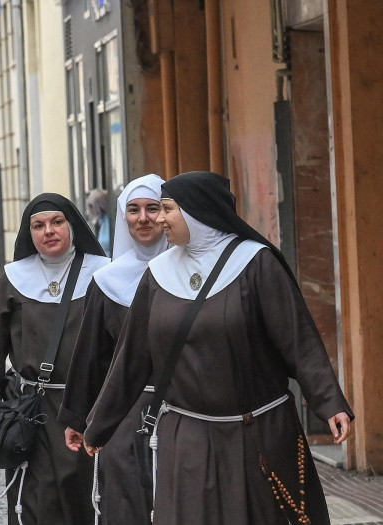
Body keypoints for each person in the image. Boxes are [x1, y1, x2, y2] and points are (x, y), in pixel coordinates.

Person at [83, 171, 353, 525]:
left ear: (197, 212)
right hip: (187, 439)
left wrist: (330, 402)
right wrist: (98, 425)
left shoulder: (255, 263)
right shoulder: (158, 274)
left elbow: (298, 340)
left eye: (167, 209)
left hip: (256, 433)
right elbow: (130, 359)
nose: (160, 219)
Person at [0, 194, 109, 525]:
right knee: (35, 501)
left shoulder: (103, 274)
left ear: (72, 226)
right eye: (39, 225)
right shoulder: (16, 278)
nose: (49, 231)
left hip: (86, 407)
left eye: (57, 222)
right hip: (33, 411)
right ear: (29, 232)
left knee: (87, 499)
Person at [56, 174, 170, 525]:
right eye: (133, 210)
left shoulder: (192, 274)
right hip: (124, 414)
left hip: (182, 409)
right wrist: (78, 418)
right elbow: (92, 356)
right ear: (123, 217)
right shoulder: (108, 281)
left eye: (153, 208)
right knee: (125, 504)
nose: (143, 218)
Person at [86, 188, 113, 255]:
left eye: (91, 206)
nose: (90, 210)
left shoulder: (110, 221)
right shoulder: (103, 221)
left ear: (99, 205)